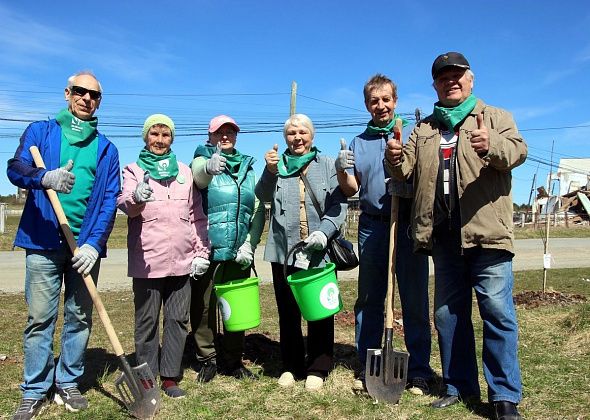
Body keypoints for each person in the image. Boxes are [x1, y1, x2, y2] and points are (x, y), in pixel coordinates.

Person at [385, 52, 526, 420]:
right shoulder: (426, 128)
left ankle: (503, 396)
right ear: (434, 84)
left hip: (487, 235)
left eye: (457, 75)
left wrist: (491, 144)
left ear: (471, 79)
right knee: (449, 315)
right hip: (444, 238)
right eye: (443, 77)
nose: (451, 81)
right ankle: (458, 385)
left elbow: (518, 151)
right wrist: (395, 155)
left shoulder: (495, 117)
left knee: (497, 313)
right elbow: (404, 172)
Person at [7, 71, 120, 419]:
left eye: (95, 95)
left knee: (79, 316)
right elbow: (15, 168)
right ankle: (34, 388)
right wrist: (44, 177)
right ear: (68, 93)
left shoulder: (106, 148)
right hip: (42, 241)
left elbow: (109, 200)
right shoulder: (41, 131)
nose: (87, 98)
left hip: (83, 248)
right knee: (40, 318)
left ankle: (67, 382)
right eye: (81, 92)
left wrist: (93, 244)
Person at [335, 74, 433, 394]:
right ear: (367, 104)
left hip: (406, 223)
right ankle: (368, 363)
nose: (381, 106)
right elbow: (352, 188)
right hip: (372, 225)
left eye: (386, 99)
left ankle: (418, 369)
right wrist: (341, 170)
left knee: (414, 298)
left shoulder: (411, 135)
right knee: (370, 299)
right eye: (374, 101)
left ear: (395, 101)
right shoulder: (359, 142)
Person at [117, 114, 210, 398]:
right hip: (148, 261)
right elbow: (124, 203)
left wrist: (201, 251)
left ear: (172, 138)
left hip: (181, 262)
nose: (159, 140)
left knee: (177, 320)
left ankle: (170, 376)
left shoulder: (183, 172)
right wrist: (137, 197)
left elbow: (196, 216)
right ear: (145, 137)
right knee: (147, 322)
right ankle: (146, 378)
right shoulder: (133, 171)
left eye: (165, 135)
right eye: (154, 134)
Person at [256, 113, 347, 391]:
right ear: (286, 138)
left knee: (320, 310)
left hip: (318, 249)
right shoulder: (278, 166)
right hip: (285, 250)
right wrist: (269, 171)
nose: (297, 138)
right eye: (292, 133)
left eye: (302, 132)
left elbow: (339, 204)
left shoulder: (327, 164)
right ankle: (290, 365)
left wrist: (326, 230)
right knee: (288, 310)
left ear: (312, 135)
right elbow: (263, 195)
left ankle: (318, 368)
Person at [189, 115, 265, 382]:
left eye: (230, 131)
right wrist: (209, 168)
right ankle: (207, 359)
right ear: (209, 136)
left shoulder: (247, 167)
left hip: (237, 250)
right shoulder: (201, 158)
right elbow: (198, 179)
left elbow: (257, 208)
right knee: (204, 308)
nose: (225, 136)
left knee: (236, 306)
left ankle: (233, 360)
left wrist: (249, 244)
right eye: (219, 132)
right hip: (207, 248)